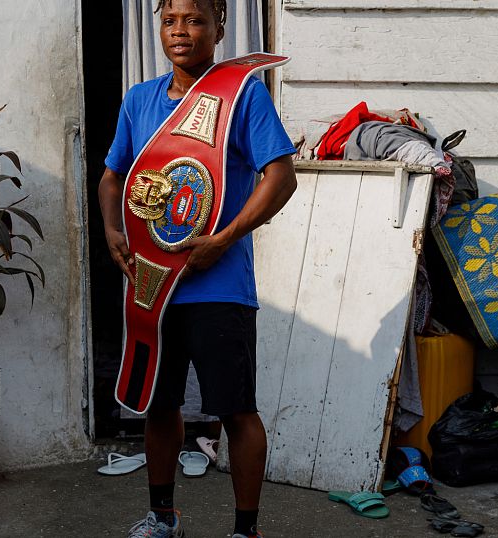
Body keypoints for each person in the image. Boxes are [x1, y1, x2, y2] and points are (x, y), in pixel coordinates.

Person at [98, 1, 298, 537]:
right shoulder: (139, 100)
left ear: (218, 27)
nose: (180, 31)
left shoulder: (242, 94)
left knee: (235, 411)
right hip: (152, 286)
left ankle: (245, 530)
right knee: (158, 408)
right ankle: (163, 519)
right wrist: (114, 231)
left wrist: (225, 239)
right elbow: (113, 177)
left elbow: (281, 177)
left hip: (221, 285)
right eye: (169, 21)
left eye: (194, 20)